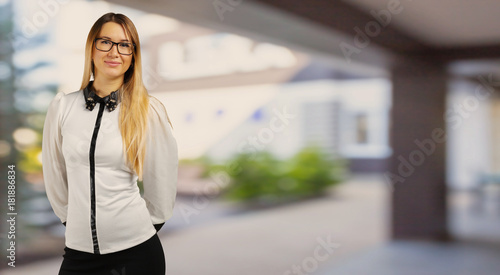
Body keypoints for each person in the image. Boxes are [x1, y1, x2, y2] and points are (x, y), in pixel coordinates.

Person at [41, 12, 178, 275]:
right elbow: (54, 173)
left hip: (136, 252)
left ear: (133, 56)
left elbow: (161, 181)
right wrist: (73, 221)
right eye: (105, 42)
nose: (114, 52)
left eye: (124, 45)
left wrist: (133, 230)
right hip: (78, 253)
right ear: (91, 48)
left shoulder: (148, 110)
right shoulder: (63, 107)